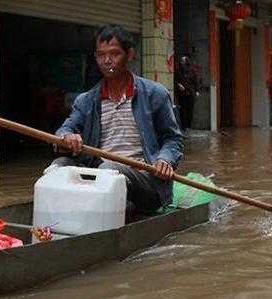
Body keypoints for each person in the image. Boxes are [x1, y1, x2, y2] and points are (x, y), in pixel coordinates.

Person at [53, 25, 182, 215]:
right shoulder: (86, 100)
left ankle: (120, 207)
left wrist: (165, 160)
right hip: (101, 177)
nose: (107, 61)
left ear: (129, 54)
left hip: (145, 180)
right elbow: (65, 129)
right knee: (59, 166)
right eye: (100, 55)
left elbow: (173, 139)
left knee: (109, 170)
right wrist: (66, 137)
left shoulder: (155, 94)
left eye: (114, 54)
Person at [174, 55, 200, 132]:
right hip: (182, 94)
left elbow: (196, 82)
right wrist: (178, 84)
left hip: (190, 93)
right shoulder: (178, 71)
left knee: (190, 110)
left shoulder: (192, 71)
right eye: (181, 61)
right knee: (182, 110)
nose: (182, 62)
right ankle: (183, 127)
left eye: (183, 61)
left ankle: (188, 126)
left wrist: (197, 91)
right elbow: (175, 81)